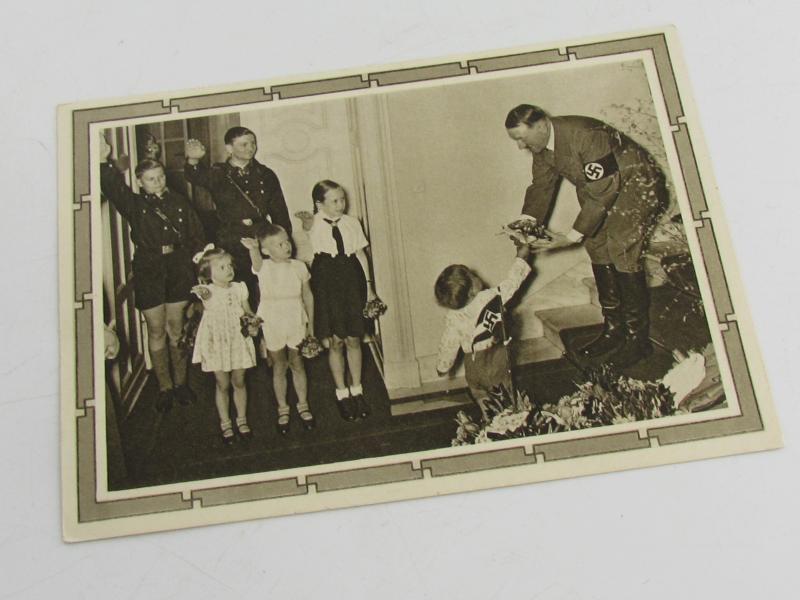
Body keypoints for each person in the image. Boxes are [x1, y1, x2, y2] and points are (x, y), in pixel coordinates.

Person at [505, 104, 668, 368]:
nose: (520, 146)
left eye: (522, 138)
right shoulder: (543, 148)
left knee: (621, 249)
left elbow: (603, 193)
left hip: (636, 188)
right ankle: (614, 330)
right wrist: (525, 224)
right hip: (600, 193)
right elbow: (541, 186)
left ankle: (638, 341)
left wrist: (570, 237)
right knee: (597, 245)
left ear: (542, 125)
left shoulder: (587, 135)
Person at [99, 133, 204, 411]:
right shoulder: (135, 205)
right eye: (151, 179)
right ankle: (164, 387)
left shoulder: (180, 201)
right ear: (139, 181)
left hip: (178, 267)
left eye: (160, 177)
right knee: (156, 329)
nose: (158, 182)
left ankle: (181, 384)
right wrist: (102, 159)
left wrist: (200, 258)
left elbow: (196, 234)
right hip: (149, 269)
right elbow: (111, 187)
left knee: (176, 329)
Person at [184, 127, 292, 303]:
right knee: (236, 291)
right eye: (244, 144)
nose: (250, 148)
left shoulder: (266, 174)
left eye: (253, 143)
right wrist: (193, 159)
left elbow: (280, 213)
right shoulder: (218, 173)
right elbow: (195, 176)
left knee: (268, 289)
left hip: (262, 238)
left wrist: (282, 243)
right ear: (229, 148)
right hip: (230, 239)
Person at [297, 180, 376, 422]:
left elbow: (361, 255)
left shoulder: (352, 223)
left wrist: (370, 289)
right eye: (334, 201)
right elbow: (307, 242)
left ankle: (357, 390)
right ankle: (341, 392)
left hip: (351, 278)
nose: (340, 204)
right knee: (335, 341)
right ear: (319, 204)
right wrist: (308, 223)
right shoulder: (313, 224)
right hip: (326, 280)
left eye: (342, 199)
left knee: (354, 337)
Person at [434, 239, 532, 422]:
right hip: (496, 358)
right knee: (506, 395)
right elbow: (512, 284)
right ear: (472, 291)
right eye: (473, 276)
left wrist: (442, 367)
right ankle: (512, 422)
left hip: (473, 366)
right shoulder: (489, 298)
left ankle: (489, 419)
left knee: (480, 394)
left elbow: (448, 345)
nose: (477, 276)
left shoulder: (453, 318)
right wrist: (521, 258)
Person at [241, 225, 316, 434]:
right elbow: (255, 263)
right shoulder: (263, 266)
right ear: (266, 251)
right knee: (279, 366)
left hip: (295, 317)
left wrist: (311, 325)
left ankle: (303, 404)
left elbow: (308, 296)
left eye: (287, 241)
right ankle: (283, 407)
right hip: (273, 319)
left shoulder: (299, 266)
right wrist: (253, 249)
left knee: (297, 363)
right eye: (279, 244)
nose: (286, 246)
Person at [191, 245, 258, 445]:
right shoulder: (208, 290)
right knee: (223, 384)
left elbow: (247, 311)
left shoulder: (239, 288)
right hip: (217, 342)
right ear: (208, 273)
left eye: (229, 265)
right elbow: (206, 295)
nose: (229, 270)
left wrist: (253, 321)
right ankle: (225, 422)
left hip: (237, 338)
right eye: (221, 267)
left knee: (239, 381)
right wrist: (202, 291)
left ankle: (242, 419)